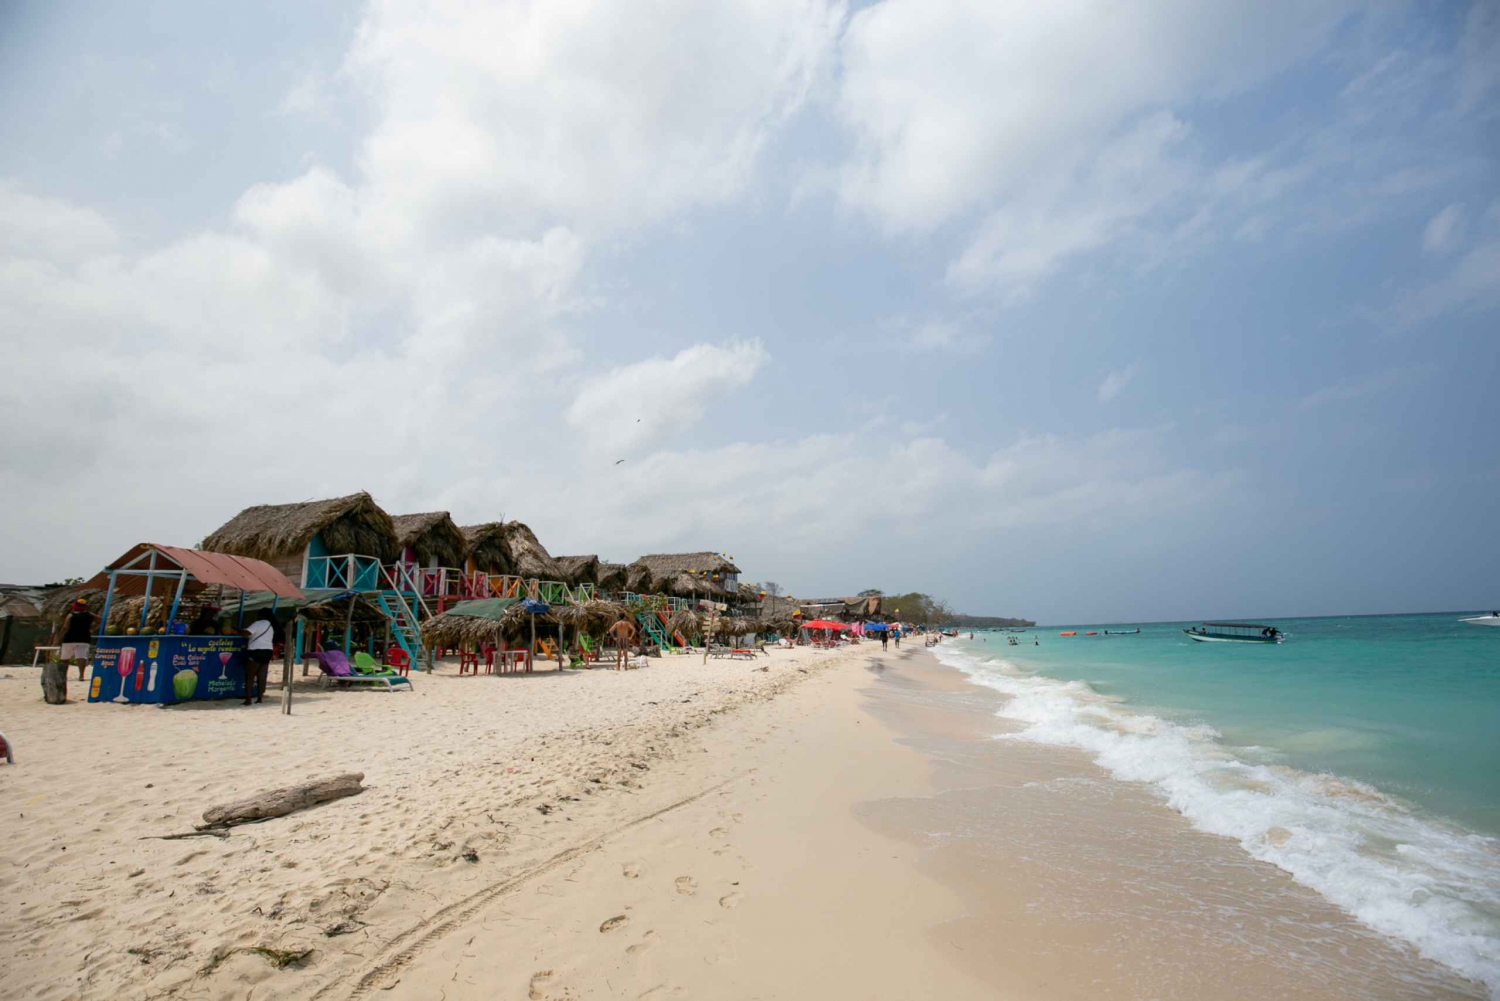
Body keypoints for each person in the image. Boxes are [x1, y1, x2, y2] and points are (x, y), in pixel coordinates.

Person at [242, 609, 275, 705]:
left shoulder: (258, 623)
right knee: (261, 676)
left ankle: (248, 700)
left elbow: (246, 633)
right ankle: (259, 698)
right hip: (268, 652)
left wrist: (237, 630)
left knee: (250, 676)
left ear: (261, 615)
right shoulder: (270, 626)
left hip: (256, 651)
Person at [58, 598, 95, 681]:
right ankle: (81, 675)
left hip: (69, 639)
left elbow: (65, 627)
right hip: (84, 638)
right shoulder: (89, 615)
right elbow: (100, 619)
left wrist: (59, 637)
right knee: (81, 657)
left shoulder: (71, 615)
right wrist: (93, 628)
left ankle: (63, 676)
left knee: (64, 658)